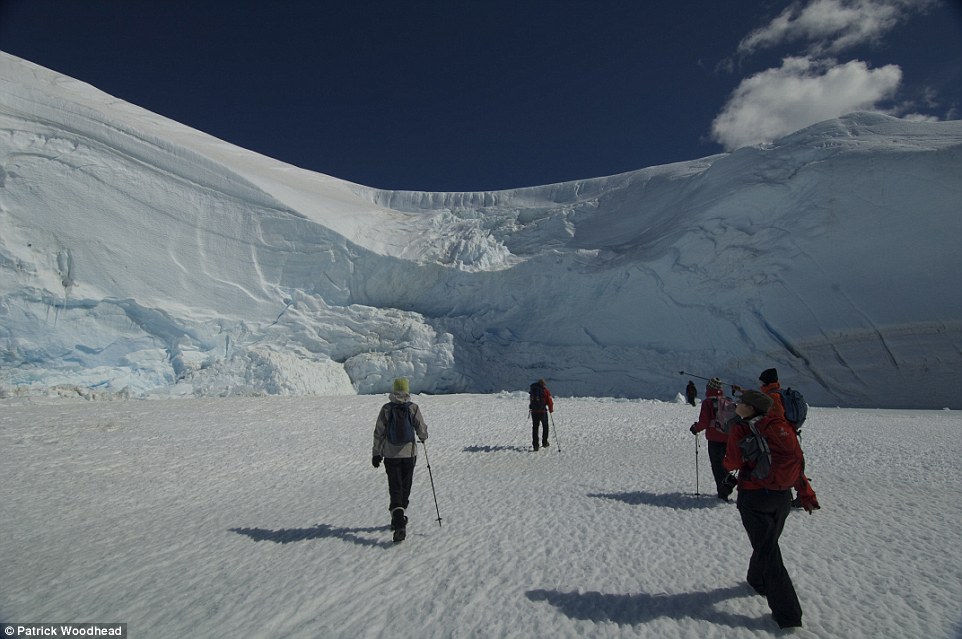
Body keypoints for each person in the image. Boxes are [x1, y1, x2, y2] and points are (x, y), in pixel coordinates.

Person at [723, 390, 819, 630]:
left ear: (752, 409)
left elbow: (731, 462)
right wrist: (806, 493)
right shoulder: (782, 427)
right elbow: (796, 462)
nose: (738, 405)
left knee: (768, 552)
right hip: (782, 497)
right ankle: (757, 581)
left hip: (755, 497)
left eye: (743, 403)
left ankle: (789, 615)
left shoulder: (742, 428)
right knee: (767, 541)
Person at [372, 377, 428, 542]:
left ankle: (398, 519)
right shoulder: (413, 408)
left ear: (394, 390)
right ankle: (399, 517)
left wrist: (376, 453)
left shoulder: (387, 409)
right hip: (409, 454)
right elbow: (421, 428)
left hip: (390, 455)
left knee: (395, 488)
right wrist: (423, 437)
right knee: (405, 488)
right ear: (407, 390)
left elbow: (379, 432)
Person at [689, 377, 735, 501]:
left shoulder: (708, 403)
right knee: (726, 464)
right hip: (729, 438)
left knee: (717, 466)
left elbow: (704, 422)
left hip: (715, 439)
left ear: (709, 388)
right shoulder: (728, 401)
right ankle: (728, 485)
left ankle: (723, 492)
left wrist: (695, 428)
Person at [529, 379, 554, 451]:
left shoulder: (533, 390)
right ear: (543, 384)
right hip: (542, 411)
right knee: (545, 426)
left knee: (535, 428)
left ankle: (535, 445)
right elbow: (549, 401)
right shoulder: (545, 390)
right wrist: (551, 409)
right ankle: (545, 442)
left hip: (534, 412)